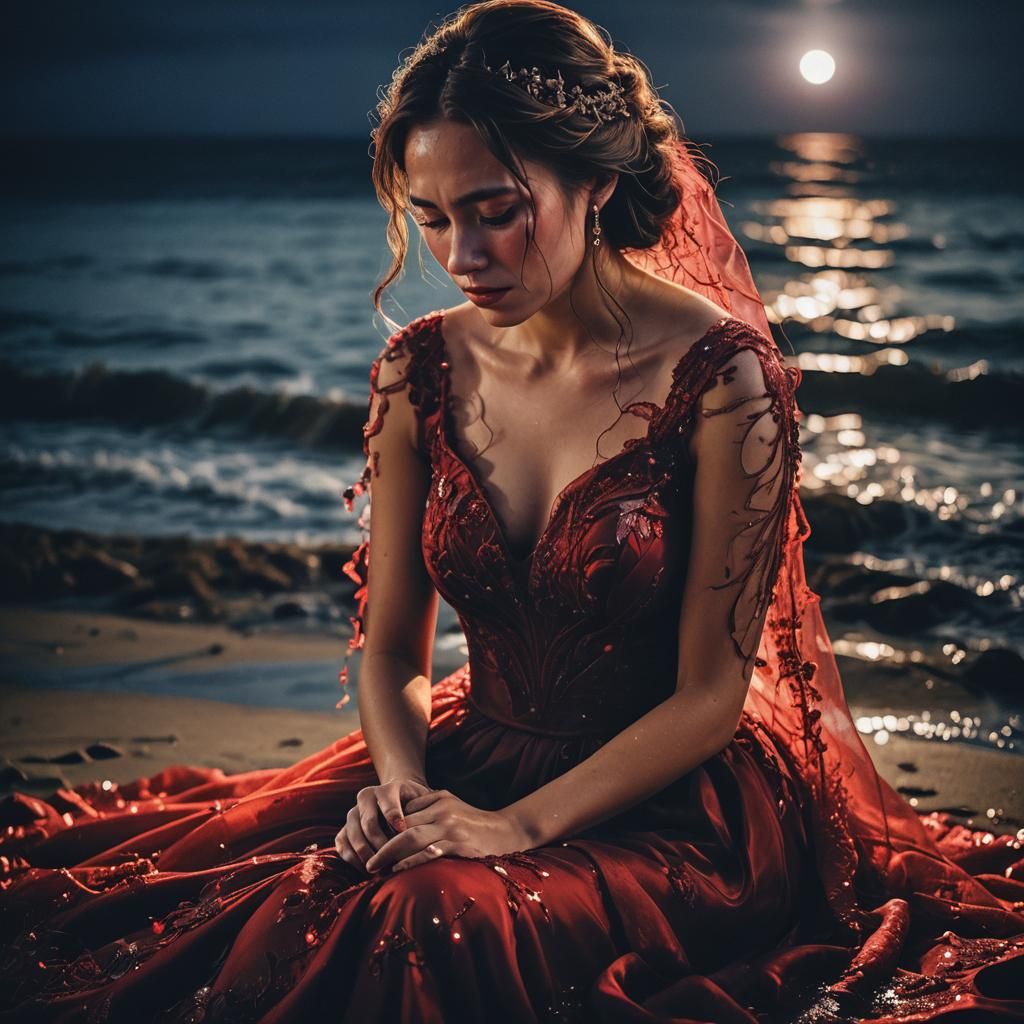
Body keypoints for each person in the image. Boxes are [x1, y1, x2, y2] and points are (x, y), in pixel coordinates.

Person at [2, 2, 1023, 1021]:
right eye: (433, 217)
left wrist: (517, 827)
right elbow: (395, 650)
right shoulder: (420, 370)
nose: (462, 253)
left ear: (594, 182)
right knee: (279, 897)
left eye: (494, 208)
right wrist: (399, 787)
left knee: (426, 913)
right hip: (467, 752)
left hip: (673, 804)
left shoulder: (721, 376)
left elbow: (711, 695)